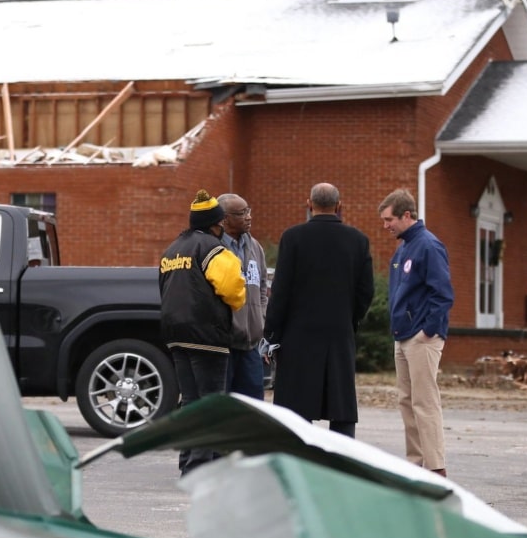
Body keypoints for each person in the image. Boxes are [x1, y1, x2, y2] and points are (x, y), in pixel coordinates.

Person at [263, 182, 374, 438]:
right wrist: (350, 319)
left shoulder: (292, 238)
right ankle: (341, 460)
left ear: (309, 204)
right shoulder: (358, 240)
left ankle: (299, 460)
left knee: (296, 403)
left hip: (297, 335)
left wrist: (272, 334)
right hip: (339, 332)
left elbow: (281, 291)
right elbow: (365, 291)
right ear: (339, 206)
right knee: (341, 403)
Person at [159, 189, 246, 475]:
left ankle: (188, 465)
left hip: (175, 333)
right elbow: (233, 290)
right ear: (216, 224)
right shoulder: (214, 249)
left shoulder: (172, 249)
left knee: (190, 403)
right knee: (210, 404)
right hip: (207, 335)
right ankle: (200, 469)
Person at [378, 188, 455, 477]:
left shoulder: (428, 245)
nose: (386, 226)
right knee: (406, 401)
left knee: (425, 402)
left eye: (389, 220)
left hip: (421, 337)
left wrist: (428, 331)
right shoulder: (404, 247)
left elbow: (443, 293)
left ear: (406, 215)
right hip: (402, 334)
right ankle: (416, 463)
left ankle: (435, 468)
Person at [217, 192, 268, 399]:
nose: (248, 217)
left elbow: (263, 288)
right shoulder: (213, 247)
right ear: (224, 219)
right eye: (241, 213)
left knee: (252, 409)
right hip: (223, 346)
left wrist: (261, 319)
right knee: (220, 408)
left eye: (248, 211)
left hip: (250, 346)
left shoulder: (255, 247)